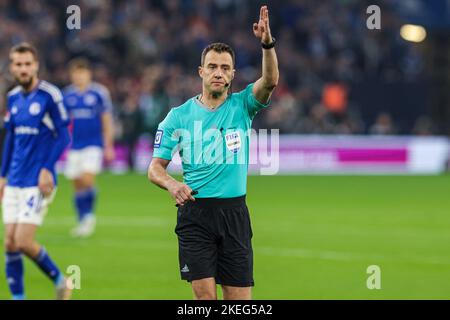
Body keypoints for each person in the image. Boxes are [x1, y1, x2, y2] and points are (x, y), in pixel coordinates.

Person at [148, 6, 278, 300]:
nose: (218, 73)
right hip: (196, 214)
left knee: (239, 302)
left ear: (232, 74)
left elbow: (270, 81)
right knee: (205, 299)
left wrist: (267, 44)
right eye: (212, 67)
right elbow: (155, 167)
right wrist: (172, 184)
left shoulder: (243, 105)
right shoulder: (177, 117)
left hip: (234, 214)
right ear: (201, 72)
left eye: (224, 68)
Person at [0, 42, 72, 300]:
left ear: (36, 65)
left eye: (27, 63)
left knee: (22, 241)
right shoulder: (12, 98)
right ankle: (19, 298)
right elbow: (11, 137)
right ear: (12, 67)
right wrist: (2, 175)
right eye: (18, 64)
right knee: (9, 243)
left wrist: (46, 168)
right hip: (15, 179)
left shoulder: (49, 95)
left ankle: (61, 280)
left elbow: (63, 135)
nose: (23, 68)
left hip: (37, 181)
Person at [63, 58, 115, 237]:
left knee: (87, 179)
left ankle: (89, 216)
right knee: (77, 184)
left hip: (94, 145)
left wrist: (108, 145)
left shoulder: (99, 93)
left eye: (82, 72)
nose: (79, 76)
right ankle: (82, 220)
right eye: (76, 73)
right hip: (74, 146)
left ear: (88, 74)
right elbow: (62, 121)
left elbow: (106, 119)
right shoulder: (67, 95)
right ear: (72, 75)